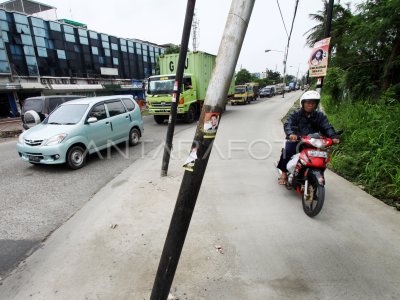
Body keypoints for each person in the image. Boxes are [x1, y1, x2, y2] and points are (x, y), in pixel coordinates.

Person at [277, 90, 340, 185]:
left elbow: (326, 126)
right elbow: (288, 124)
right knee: (288, 150)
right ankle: (284, 173)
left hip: (313, 142)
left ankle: (314, 173)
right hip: (297, 140)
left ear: (316, 104)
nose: (310, 105)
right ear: (303, 103)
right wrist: (291, 134)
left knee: (321, 156)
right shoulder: (295, 114)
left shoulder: (320, 116)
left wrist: (333, 136)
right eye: (308, 102)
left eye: (313, 103)